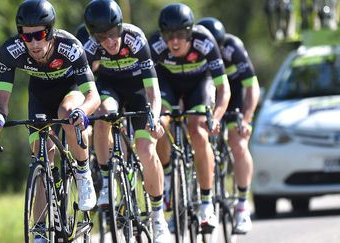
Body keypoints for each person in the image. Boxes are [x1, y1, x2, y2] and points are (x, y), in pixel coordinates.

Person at [0, 0, 100, 232]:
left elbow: (93, 96)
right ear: (21, 36)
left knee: (66, 113)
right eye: (27, 37)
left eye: (40, 35)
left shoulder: (70, 46)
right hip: (40, 95)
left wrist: (83, 112)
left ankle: (83, 171)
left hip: (70, 90)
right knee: (40, 159)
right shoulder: (10, 51)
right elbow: (1, 99)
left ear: (51, 31)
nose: (34, 43)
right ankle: (39, 232)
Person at [82, 0, 170, 242]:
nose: (109, 41)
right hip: (110, 89)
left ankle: (157, 215)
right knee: (102, 117)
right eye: (102, 37)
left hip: (139, 91)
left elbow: (153, 90)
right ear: (94, 36)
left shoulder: (136, 39)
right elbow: (81, 85)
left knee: (145, 148)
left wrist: (153, 116)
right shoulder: (89, 46)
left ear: (120, 27)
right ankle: (108, 179)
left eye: (113, 34)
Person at [148, 3, 230, 232]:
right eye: (169, 35)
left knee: (198, 129)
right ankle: (166, 177)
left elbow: (224, 88)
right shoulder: (154, 45)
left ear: (190, 32)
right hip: (167, 85)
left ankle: (206, 202)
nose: (175, 41)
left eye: (181, 35)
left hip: (198, 85)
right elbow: (141, 84)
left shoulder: (205, 42)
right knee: (159, 124)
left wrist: (216, 116)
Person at [196, 17, 260, 234]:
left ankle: (242, 205)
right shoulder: (195, 48)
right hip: (208, 95)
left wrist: (246, 120)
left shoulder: (233, 48)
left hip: (233, 100)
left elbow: (252, 88)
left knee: (238, 143)